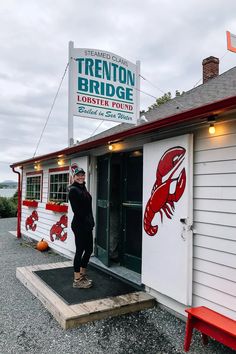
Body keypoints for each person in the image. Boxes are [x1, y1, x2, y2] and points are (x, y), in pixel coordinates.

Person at [68, 167, 95, 288]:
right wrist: (87, 222)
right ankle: (77, 280)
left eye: (82, 175)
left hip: (87, 224)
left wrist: (91, 221)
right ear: (74, 177)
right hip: (79, 225)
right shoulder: (73, 190)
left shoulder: (83, 188)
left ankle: (83, 274)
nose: (80, 177)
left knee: (89, 250)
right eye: (78, 175)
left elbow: (88, 208)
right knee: (80, 250)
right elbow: (77, 211)